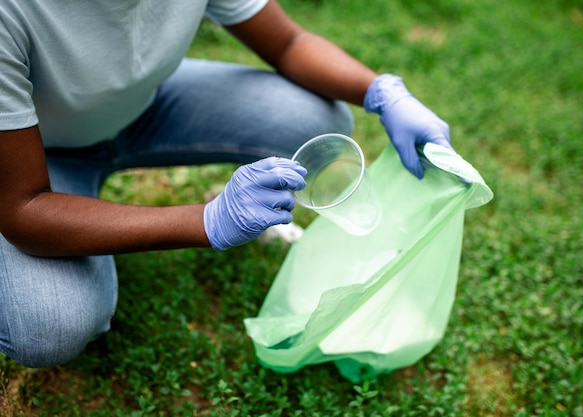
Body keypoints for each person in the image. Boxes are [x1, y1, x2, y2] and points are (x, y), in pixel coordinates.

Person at [0, 0, 452, 368]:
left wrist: (383, 91)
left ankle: (254, 200)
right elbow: (24, 208)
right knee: (49, 325)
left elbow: (289, 41)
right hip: (37, 155)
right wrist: (208, 220)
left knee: (314, 120)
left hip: (144, 106)